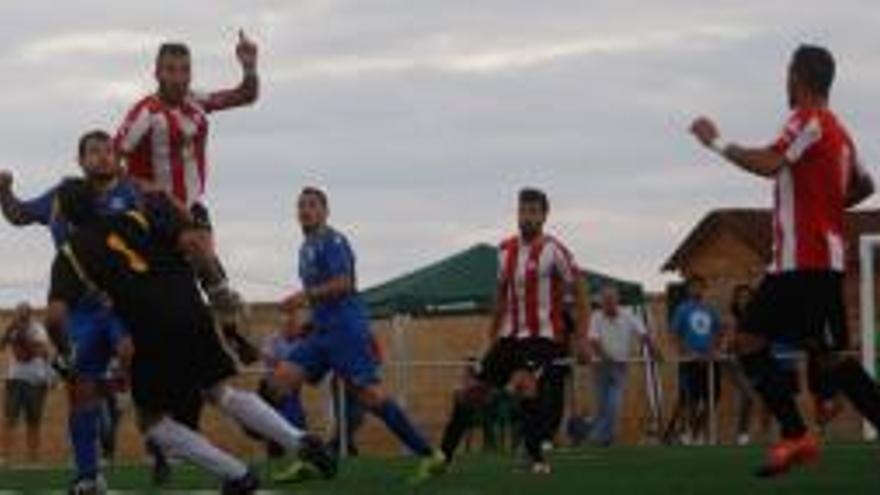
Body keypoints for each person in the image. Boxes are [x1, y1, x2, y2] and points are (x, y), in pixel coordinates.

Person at [47, 178, 334, 494]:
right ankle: (299, 439)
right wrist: (219, 291)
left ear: (62, 214)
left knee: (151, 421)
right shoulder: (138, 215)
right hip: (192, 311)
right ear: (99, 199)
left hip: (149, 329)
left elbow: (55, 317)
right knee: (220, 391)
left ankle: (237, 474)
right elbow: (195, 244)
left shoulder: (69, 254)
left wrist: (64, 355)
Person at [689, 44, 880, 477]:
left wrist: (716, 142)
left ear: (799, 77)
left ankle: (796, 433)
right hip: (817, 263)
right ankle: (798, 434)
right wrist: (827, 206)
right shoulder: (840, 132)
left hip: (801, 262)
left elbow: (770, 162)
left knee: (749, 341)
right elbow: (865, 186)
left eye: (788, 73)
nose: (785, 82)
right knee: (833, 360)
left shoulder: (804, 121)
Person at [271, 186, 446, 484]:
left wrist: (303, 297)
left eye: (312, 205)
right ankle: (310, 458)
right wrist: (310, 322)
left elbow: (344, 284)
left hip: (347, 331)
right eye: (301, 206)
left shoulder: (334, 241)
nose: (305, 210)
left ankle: (430, 454)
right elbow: (325, 297)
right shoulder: (305, 248)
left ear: (326, 211)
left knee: (370, 397)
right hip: (323, 333)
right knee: (281, 381)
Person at [0, 131, 137, 492]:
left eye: (108, 151)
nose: (103, 157)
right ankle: (88, 475)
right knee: (81, 390)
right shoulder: (62, 197)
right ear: (80, 160)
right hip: (80, 311)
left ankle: (126, 395)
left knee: (130, 353)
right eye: (94, 152)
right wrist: (4, 190)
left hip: (124, 303)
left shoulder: (132, 193)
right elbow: (18, 214)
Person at [438, 188, 590, 475]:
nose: (527, 217)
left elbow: (581, 289)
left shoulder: (553, 249)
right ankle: (443, 456)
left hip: (544, 337)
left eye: (533, 211)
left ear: (544, 216)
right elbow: (501, 295)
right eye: (523, 211)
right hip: (511, 336)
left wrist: (582, 337)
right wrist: (492, 334)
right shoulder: (505, 250)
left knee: (524, 383)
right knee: (471, 392)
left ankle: (536, 459)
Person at [114, 31, 259, 316]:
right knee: (198, 247)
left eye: (185, 70)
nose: (179, 78)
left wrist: (249, 67)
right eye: (171, 70)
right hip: (153, 204)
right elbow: (112, 162)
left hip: (191, 204)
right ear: (157, 73)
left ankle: (225, 321)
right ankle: (219, 298)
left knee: (205, 267)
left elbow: (245, 95)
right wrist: (147, 187)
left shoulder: (195, 101)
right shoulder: (146, 112)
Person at [587, 285, 663, 446]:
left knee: (614, 403)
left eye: (611, 300)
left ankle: (600, 438)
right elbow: (593, 341)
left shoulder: (628, 315)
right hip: (600, 366)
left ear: (617, 300)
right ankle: (604, 438)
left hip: (619, 366)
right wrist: (606, 358)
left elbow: (643, 334)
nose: (608, 304)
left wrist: (655, 350)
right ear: (601, 303)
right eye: (605, 301)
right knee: (601, 405)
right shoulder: (596, 316)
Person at [668, 276, 722, 445]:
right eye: (693, 287)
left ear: (704, 289)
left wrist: (712, 351)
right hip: (689, 360)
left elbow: (718, 332)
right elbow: (675, 335)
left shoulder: (710, 309)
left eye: (700, 286)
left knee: (713, 398)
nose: (697, 290)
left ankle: (698, 431)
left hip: (709, 360)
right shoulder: (682, 309)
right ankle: (689, 434)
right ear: (688, 289)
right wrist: (689, 352)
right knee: (691, 398)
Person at [1, 302, 51, 463]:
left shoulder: (38, 329)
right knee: (9, 419)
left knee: (33, 421)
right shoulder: (12, 329)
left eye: (23, 315)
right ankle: (3, 457)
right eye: (18, 314)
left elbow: (38, 353)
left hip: (35, 381)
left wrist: (23, 335)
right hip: (14, 379)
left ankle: (33, 458)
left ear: (30, 316)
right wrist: (8, 331)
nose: (20, 318)